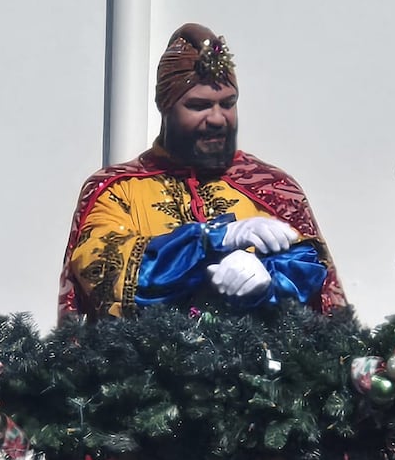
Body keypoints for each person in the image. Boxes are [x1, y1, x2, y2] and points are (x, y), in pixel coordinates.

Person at [59, 23, 347, 323]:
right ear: (165, 107)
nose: (217, 119)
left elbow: (313, 273)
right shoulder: (116, 190)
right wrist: (212, 239)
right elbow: (106, 272)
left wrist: (270, 280)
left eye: (228, 104)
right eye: (199, 106)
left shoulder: (273, 187)